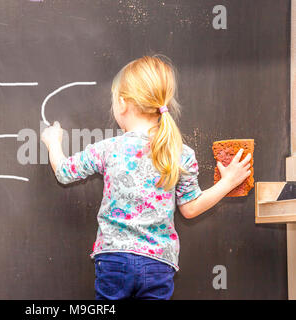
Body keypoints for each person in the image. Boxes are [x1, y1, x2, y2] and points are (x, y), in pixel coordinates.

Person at [40, 55, 251, 300]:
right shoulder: (180, 153)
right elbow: (191, 208)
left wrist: (53, 142)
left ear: (122, 104)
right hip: (158, 264)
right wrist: (227, 183)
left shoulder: (109, 149)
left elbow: (65, 173)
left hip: (113, 258)